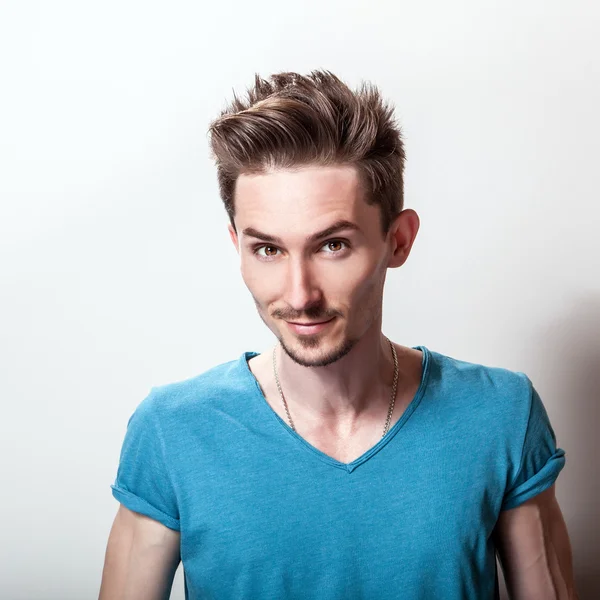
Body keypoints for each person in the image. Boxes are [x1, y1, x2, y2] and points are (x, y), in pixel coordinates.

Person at [99, 70, 578, 600]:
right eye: (268, 249)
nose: (300, 294)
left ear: (398, 240)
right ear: (237, 246)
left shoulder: (501, 415)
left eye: (332, 246)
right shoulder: (173, 431)